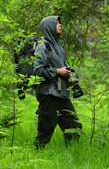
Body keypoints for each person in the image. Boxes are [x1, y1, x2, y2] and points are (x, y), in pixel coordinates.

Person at [33, 15, 82, 149]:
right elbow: (37, 70)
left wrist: (68, 74)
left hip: (62, 94)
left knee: (74, 128)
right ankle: (36, 157)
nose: (60, 25)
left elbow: (60, 67)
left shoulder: (58, 46)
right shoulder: (42, 47)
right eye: (57, 23)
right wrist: (57, 72)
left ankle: (71, 156)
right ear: (49, 27)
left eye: (60, 23)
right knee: (45, 132)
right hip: (49, 95)